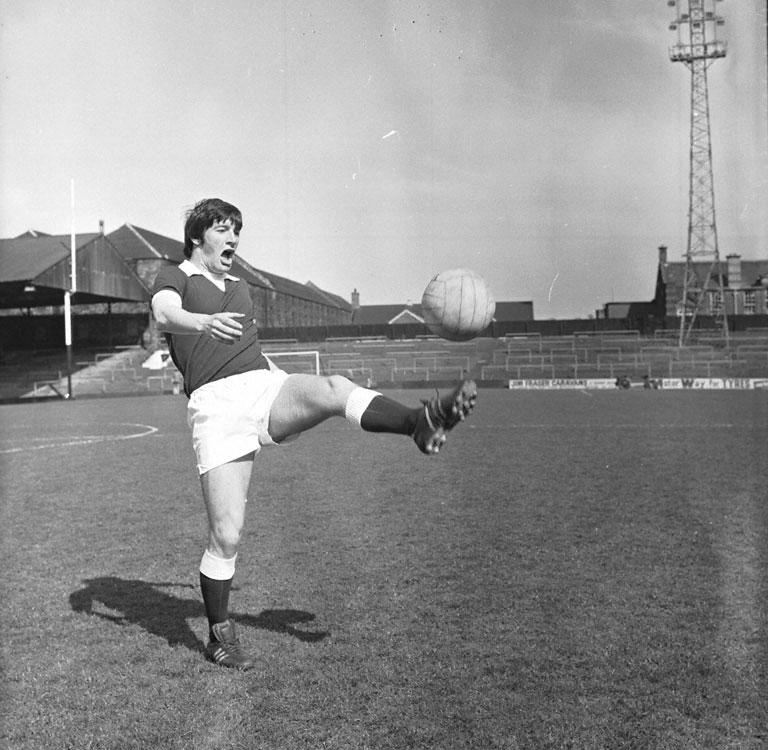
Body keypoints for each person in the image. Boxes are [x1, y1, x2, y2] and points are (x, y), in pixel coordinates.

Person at [151, 198, 478, 671]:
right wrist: (200, 322)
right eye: (223, 230)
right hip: (215, 408)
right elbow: (163, 313)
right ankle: (220, 635)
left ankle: (419, 422)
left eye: (237, 231)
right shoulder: (176, 275)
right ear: (198, 237)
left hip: (263, 387)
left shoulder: (239, 285)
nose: (234, 239)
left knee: (332, 388)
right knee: (227, 534)